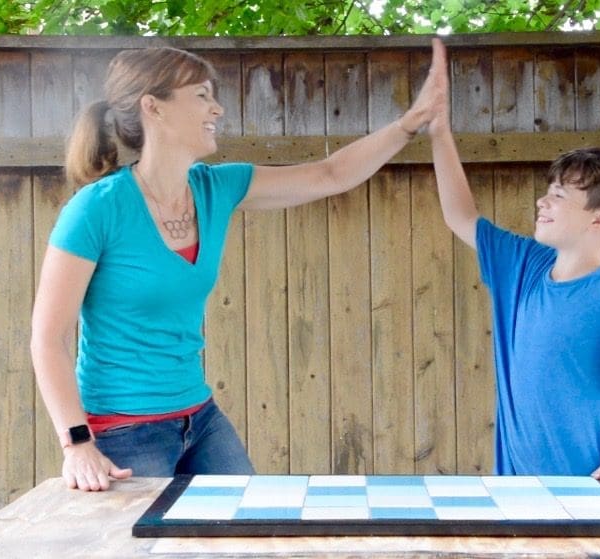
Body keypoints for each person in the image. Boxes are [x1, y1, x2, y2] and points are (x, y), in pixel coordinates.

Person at [31, 39, 447, 492]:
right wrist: (76, 444)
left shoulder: (215, 189)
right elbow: (48, 339)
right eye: (202, 95)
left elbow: (331, 174)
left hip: (199, 418)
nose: (218, 108)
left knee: (250, 528)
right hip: (124, 431)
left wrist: (410, 123)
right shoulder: (97, 209)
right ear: (155, 108)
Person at [426, 42, 600, 490]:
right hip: (518, 494)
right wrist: (439, 133)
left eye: (561, 195)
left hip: (589, 497)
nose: (544, 200)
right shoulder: (523, 266)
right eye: (550, 189)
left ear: (598, 219)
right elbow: (460, 216)